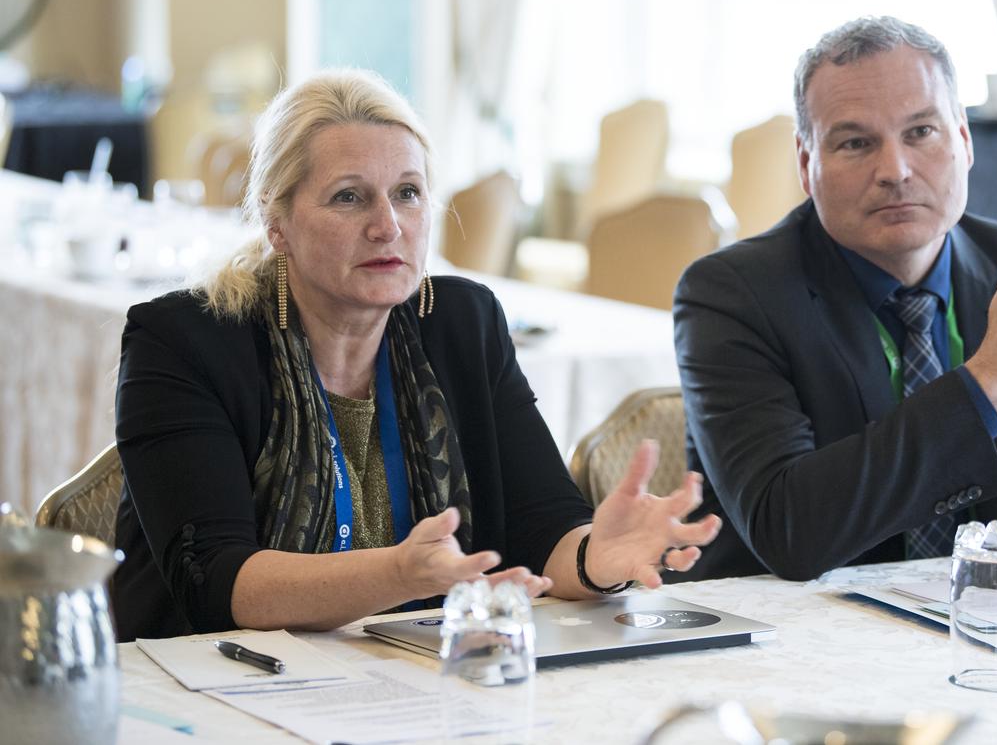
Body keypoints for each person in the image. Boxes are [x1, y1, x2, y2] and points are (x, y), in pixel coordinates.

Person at [112, 69, 720, 640]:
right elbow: (219, 584)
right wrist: (400, 574)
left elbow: (543, 531)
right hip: (218, 687)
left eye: (408, 193)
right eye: (349, 198)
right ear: (277, 222)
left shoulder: (461, 322)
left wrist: (594, 558)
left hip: (416, 680)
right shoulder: (186, 340)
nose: (388, 225)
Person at [673, 16, 997, 582]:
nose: (895, 171)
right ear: (807, 165)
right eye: (855, 143)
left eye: (922, 132)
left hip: (993, 640)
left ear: (966, 142)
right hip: (793, 645)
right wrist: (995, 375)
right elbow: (789, 533)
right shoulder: (731, 294)